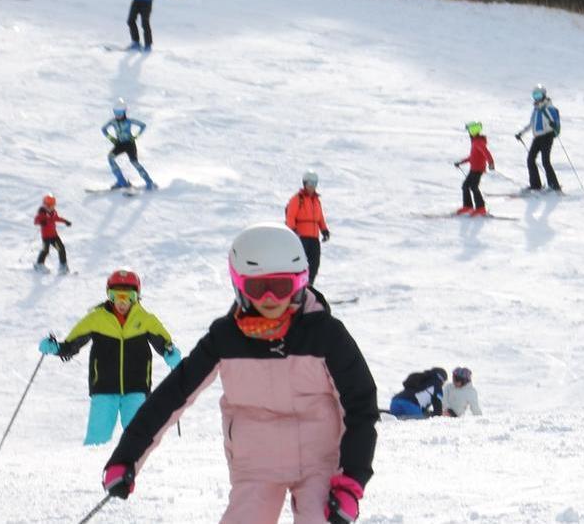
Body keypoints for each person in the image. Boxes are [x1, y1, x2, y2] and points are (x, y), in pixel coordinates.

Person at [100, 223, 378, 524]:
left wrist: (351, 481)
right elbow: (172, 395)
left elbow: (360, 404)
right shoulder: (226, 337)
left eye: (282, 286)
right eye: (258, 287)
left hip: (320, 461)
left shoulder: (325, 335)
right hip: (257, 462)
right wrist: (127, 457)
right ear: (239, 284)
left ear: (300, 283)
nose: (270, 298)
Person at [38, 269, 182, 444]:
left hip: (137, 388)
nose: (122, 302)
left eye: (128, 296)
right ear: (109, 295)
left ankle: (141, 469)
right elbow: (71, 345)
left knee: (140, 437)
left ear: (137, 297)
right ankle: (89, 467)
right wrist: (56, 348)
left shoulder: (146, 320)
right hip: (104, 388)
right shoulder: (96, 319)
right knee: (97, 438)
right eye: (115, 296)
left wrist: (171, 354)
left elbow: (165, 345)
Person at [285, 170, 330, 285]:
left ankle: (309, 287)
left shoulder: (316, 200)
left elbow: (320, 218)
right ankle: (298, 288)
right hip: (302, 238)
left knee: (314, 264)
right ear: (305, 183)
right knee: (301, 264)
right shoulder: (297, 199)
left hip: (314, 238)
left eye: (315, 183)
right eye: (310, 183)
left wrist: (324, 230)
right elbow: (290, 216)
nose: (312, 186)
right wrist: (293, 230)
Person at [515, 84, 562, 192]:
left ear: (544, 95)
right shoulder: (535, 110)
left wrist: (554, 125)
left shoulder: (550, 108)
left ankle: (554, 186)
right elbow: (531, 124)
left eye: (538, 95)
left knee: (545, 161)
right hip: (537, 137)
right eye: (535, 95)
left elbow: (556, 122)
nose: (537, 98)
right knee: (530, 160)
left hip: (547, 136)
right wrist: (521, 133)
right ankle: (535, 185)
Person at [102, 99, 156, 190]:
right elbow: (103, 129)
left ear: (124, 112)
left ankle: (149, 182)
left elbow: (143, 125)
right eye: (116, 112)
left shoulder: (129, 121)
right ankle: (121, 181)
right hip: (119, 144)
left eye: (120, 112)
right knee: (110, 158)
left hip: (130, 144)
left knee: (134, 162)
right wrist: (112, 139)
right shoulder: (113, 122)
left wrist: (136, 136)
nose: (118, 115)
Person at [454, 121, 496, 216]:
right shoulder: (475, 142)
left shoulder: (478, 142)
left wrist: (491, 163)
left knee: (473, 186)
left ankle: (481, 208)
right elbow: (472, 157)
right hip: (474, 169)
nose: (468, 133)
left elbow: (486, 153)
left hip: (478, 169)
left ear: (473, 131)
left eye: (469, 131)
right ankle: (468, 206)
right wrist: (461, 162)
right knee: (465, 186)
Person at [33, 193, 72, 273]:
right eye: (50, 206)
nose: (52, 207)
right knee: (45, 250)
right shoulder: (42, 213)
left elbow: (57, 218)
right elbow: (36, 221)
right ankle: (39, 264)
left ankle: (63, 266)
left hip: (54, 236)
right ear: (45, 205)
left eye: (53, 205)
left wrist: (65, 221)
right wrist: (41, 222)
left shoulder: (53, 212)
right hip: (46, 237)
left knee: (60, 248)